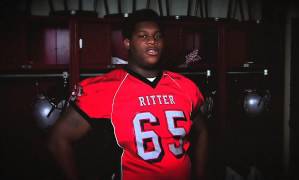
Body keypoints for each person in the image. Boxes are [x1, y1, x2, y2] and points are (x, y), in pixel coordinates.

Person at [48, 8, 208, 180]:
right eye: (143, 36)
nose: (152, 41)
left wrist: (199, 175)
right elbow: (58, 140)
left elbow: (203, 131)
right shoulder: (105, 88)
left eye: (157, 36)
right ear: (127, 43)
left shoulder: (184, 86)